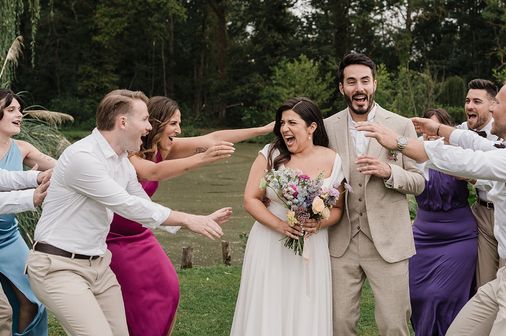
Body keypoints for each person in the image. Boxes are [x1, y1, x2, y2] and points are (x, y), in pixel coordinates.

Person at [358, 76, 506, 335]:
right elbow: (477, 143)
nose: (492, 109)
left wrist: (401, 143)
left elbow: (467, 160)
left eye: (498, 103)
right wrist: (438, 129)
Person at [25, 89, 232, 336]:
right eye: (145, 119)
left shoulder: (121, 159)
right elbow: (125, 204)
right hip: (58, 266)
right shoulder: (83, 157)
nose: (148, 128)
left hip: (99, 265)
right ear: (123, 122)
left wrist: (195, 220)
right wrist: (188, 219)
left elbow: (140, 201)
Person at [107, 95, 273, 336]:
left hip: (140, 233)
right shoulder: (130, 154)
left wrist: (262, 130)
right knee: (132, 300)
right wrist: (202, 159)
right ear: (157, 123)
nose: (178, 129)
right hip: (113, 237)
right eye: (174, 123)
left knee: (169, 288)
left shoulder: (166, 147)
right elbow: (153, 172)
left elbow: (213, 138)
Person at [325, 52, 424, 336]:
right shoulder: (327, 127)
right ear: (342, 88)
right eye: (352, 81)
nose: (359, 88)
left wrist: (389, 172)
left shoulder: (401, 125)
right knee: (339, 324)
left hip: (389, 243)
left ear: (375, 84)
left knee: (393, 325)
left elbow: (419, 182)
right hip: (341, 242)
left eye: (365, 81)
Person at [230, 97, 345, 336]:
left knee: (306, 304)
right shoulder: (270, 154)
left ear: (312, 127)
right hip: (269, 243)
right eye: (282, 123)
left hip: (312, 247)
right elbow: (250, 199)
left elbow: (338, 210)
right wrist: (281, 225)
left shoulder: (333, 159)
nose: (284, 128)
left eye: (292, 122)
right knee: (268, 304)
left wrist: (318, 222)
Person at [410, 108, 477, 336]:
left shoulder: (458, 154)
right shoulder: (413, 155)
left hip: (459, 236)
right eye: (426, 131)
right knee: (416, 294)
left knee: (443, 296)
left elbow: (481, 177)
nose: (430, 136)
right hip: (423, 236)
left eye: (434, 130)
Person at [0, 90, 55, 336]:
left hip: (8, 238)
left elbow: (61, 167)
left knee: (35, 301)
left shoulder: (22, 148)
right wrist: (30, 192)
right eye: (11, 109)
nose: (19, 114)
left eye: (19, 110)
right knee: (3, 312)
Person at [459, 78, 500, 288]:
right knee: (484, 283)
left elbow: (504, 180)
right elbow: (436, 141)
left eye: (476, 101)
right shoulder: (463, 130)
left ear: (493, 105)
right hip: (482, 214)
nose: (469, 106)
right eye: (467, 101)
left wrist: (471, 176)